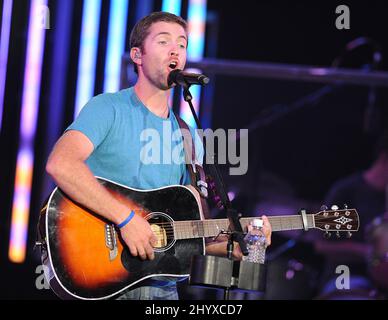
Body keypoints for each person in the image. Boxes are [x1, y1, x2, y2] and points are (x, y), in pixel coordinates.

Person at [45, 11, 272, 300]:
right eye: (164, 41)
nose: (175, 49)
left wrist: (238, 245)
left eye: (182, 43)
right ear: (137, 55)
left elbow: (190, 236)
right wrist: (126, 220)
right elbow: (60, 164)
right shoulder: (108, 108)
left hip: (161, 290)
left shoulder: (187, 137)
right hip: (102, 279)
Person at [313, 130, 388, 298]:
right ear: (384, 158)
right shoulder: (348, 191)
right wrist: (366, 251)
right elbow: (322, 245)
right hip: (347, 278)